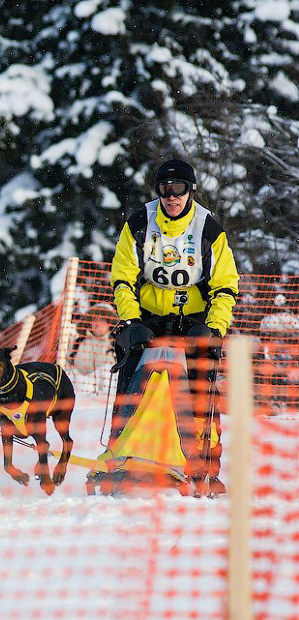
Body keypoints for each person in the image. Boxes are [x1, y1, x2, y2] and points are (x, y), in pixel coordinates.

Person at [110, 157, 239, 493]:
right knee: (130, 384)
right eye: (165, 189)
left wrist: (214, 329)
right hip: (149, 321)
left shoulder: (207, 228)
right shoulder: (140, 222)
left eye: (179, 189)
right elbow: (123, 277)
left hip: (195, 321)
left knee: (201, 391)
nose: (171, 196)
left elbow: (225, 285)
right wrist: (130, 321)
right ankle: (118, 458)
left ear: (190, 190)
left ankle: (205, 468)